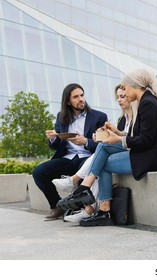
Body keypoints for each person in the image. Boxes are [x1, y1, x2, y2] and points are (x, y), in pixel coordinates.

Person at [61, 68, 157, 227]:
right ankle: (88, 193)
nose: (123, 91)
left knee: (102, 162)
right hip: (145, 153)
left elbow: (146, 140)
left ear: (135, 85)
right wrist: (118, 133)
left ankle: (98, 203)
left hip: (149, 158)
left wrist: (119, 139)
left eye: (124, 88)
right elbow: (141, 136)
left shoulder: (148, 104)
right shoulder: (146, 102)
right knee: (103, 148)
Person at [53, 85, 135, 222]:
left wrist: (91, 140)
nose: (119, 100)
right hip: (110, 153)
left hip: (135, 154)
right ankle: (91, 207)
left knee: (100, 158)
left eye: (123, 96)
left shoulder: (136, 115)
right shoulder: (122, 120)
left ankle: (78, 188)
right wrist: (110, 134)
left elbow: (134, 139)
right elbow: (120, 140)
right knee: (100, 159)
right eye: (118, 97)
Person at [32, 83, 107, 221]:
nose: (81, 99)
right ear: (68, 101)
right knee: (38, 172)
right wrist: (53, 139)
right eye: (76, 97)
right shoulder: (61, 117)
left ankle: (83, 211)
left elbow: (105, 144)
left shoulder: (99, 117)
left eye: (82, 95)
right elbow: (55, 146)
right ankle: (57, 206)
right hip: (67, 158)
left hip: (87, 156)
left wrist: (86, 142)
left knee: (85, 177)